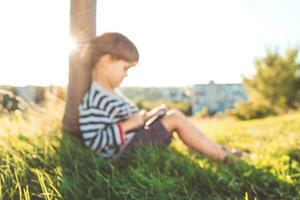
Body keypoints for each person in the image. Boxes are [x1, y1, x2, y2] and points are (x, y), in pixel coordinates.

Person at [78, 32, 235, 162]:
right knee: (175, 118)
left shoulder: (113, 93)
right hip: (124, 155)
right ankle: (224, 157)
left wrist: (148, 116)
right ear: (107, 61)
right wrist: (127, 125)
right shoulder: (95, 99)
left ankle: (217, 149)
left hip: (135, 142)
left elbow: (132, 120)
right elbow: (94, 141)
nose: (126, 75)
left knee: (171, 116)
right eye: (125, 68)